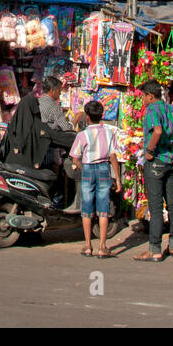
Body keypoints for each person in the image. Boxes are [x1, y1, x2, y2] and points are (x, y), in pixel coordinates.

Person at [135, 79, 173, 261]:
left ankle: (155, 249)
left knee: (156, 206)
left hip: (157, 160)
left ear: (150, 96)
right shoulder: (170, 109)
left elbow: (157, 131)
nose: (143, 99)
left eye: (144, 96)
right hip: (169, 160)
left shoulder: (152, 110)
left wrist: (150, 150)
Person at [69, 99, 121, 258]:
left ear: (87, 117)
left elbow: (74, 158)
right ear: (102, 115)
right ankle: (102, 246)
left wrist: (83, 167)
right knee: (103, 209)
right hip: (104, 168)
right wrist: (117, 178)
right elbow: (113, 156)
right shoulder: (108, 132)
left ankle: (87, 245)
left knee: (86, 208)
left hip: (88, 169)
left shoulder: (82, 135)